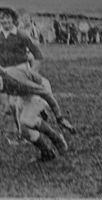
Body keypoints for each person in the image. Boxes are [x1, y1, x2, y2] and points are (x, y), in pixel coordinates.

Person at [0, 8, 75, 142]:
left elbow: (38, 55)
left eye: (7, 17)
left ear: (13, 19)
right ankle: (25, 130)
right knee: (10, 106)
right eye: (1, 18)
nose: (5, 20)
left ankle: (34, 129)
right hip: (5, 74)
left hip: (20, 72)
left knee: (16, 105)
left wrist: (31, 73)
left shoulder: (21, 35)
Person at [9, 77, 68, 162]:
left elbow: (33, 73)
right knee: (23, 130)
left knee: (26, 119)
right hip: (24, 94)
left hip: (38, 89)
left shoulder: (15, 72)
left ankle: (57, 139)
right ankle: (47, 152)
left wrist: (42, 105)